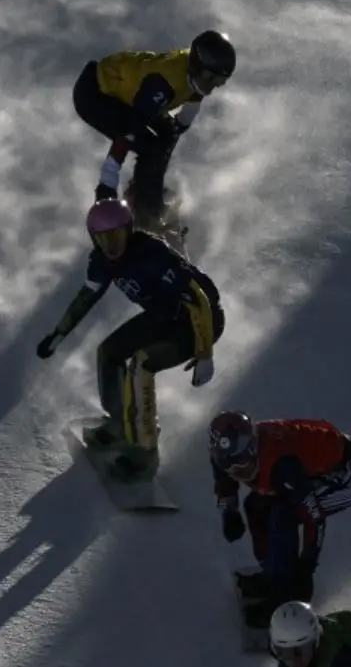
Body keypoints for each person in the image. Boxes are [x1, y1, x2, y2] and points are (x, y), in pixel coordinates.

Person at [36, 198, 225, 480]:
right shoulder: (101, 261)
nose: (112, 245)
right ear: (93, 238)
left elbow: (199, 300)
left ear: (129, 231)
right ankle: (122, 426)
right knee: (109, 352)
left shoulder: (152, 255)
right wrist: (58, 334)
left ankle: (145, 452)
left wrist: (205, 352)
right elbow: (86, 298)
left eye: (117, 235)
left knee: (142, 363)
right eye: (103, 238)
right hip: (164, 316)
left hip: (199, 321)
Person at [210, 412, 351, 625]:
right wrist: (229, 511)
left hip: (346, 476)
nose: (240, 467)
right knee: (255, 507)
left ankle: (284, 597)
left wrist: (307, 567)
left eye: (246, 457)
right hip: (306, 469)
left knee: (283, 517)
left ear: (254, 444)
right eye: (232, 462)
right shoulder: (222, 454)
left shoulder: (280, 466)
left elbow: (314, 517)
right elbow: (224, 483)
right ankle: (273, 575)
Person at [71, 30, 237, 230]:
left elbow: (179, 126)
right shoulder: (162, 84)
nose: (210, 87)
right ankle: (145, 216)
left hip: (126, 95)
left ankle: (144, 197)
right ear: (195, 65)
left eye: (218, 82)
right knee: (151, 148)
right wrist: (107, 186)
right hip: (94, 94)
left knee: (165, 137)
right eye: (209, 78)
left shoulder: (194, 79)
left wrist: (149, 183)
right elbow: (126, 135)